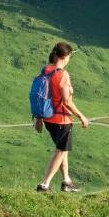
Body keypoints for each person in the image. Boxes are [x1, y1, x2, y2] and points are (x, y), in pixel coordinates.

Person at [35, 42, 90, 192]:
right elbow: (67, 102)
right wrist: (82, 116)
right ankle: (45, 184)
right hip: (62, 119)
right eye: (69, 57)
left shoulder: (45, 70)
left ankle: (66, 181)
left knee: (62, 150)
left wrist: (39, 118)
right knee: (61, 151)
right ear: (65, 57)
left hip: (48, 119)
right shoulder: (62, 74)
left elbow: (41, 95)